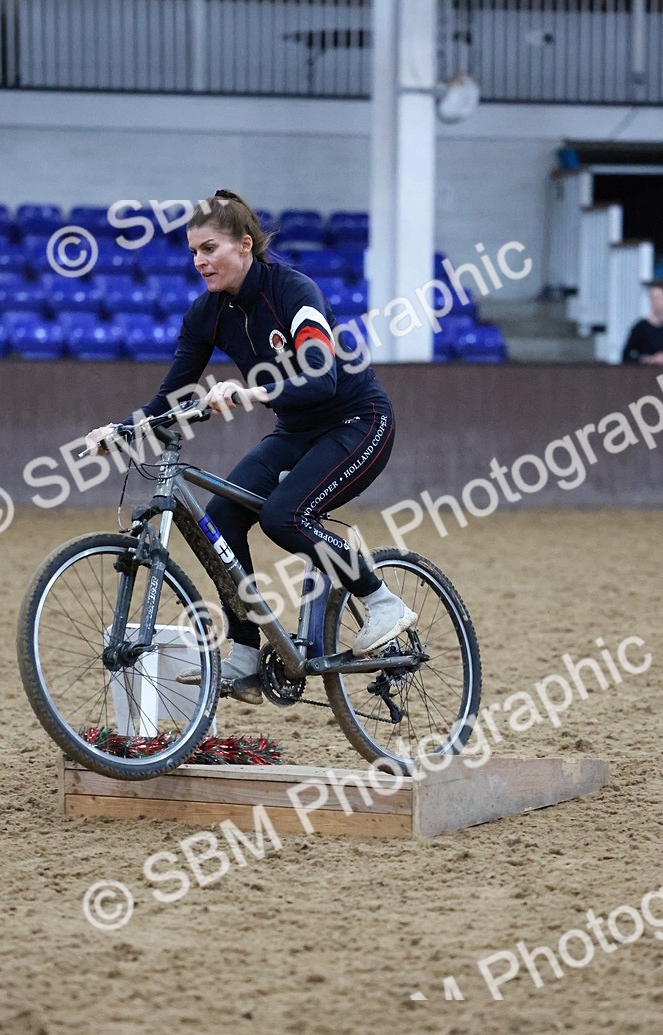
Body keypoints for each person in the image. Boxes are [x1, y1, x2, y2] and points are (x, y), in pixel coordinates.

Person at [85, 189, 416, 704]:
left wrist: (253, 391)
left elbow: (322, 379)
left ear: (244, 245)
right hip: (297, 430)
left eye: (210, 248)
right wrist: (121, 431)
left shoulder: (293, 291)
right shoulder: (206, 314)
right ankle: (243, 651)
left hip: (357, 420)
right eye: (193, 251)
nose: (199, 261)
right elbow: (169, 396)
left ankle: (380, 600)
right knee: (221, 518)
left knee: (284, 517)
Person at [621, 281, 663, 365]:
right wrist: (651, 359)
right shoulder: (640, 327)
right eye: (653, 298)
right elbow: (627, 356)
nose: (655, 302)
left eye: (659, 298)